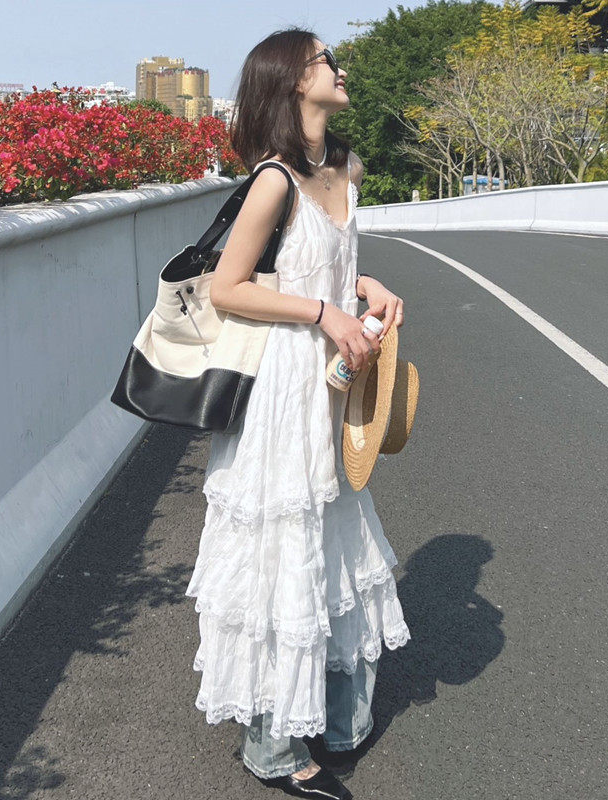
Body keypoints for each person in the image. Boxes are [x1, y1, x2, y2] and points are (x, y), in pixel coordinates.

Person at [184, 27, 411, 799]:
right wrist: (323, 311)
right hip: (285, 387)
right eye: (323, 60)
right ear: (289, 82)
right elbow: (228, 288)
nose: (338, 69)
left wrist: (367, 288)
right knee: (285, 545)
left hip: (334, 381)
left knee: (336, 535)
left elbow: (327, 261)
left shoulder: (346, 166)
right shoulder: (273, 181)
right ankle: (274, 745)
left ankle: (339, 717)